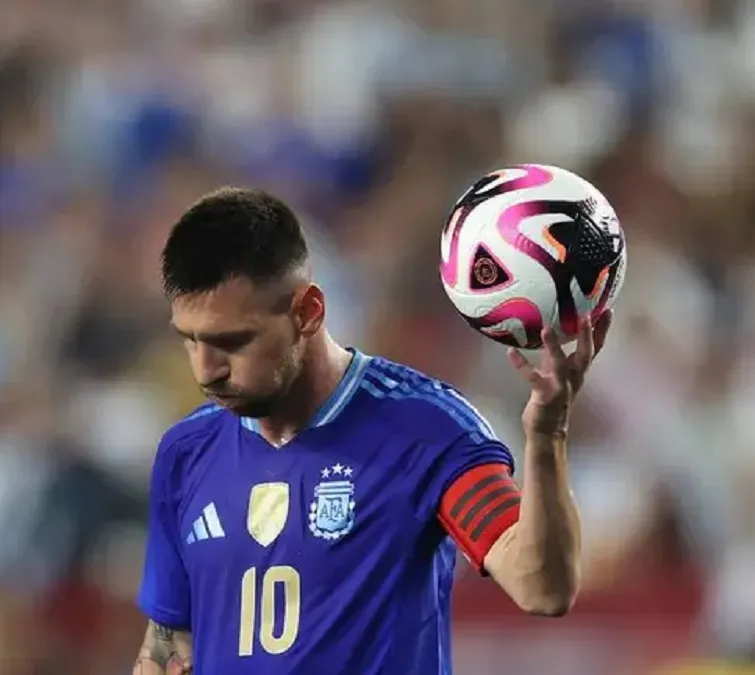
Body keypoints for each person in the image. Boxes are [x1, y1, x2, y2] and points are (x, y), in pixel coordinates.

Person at [132, 187, 612, 675]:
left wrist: (548, 436)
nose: (206, 370)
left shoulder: (425, 433)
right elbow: (167, 644)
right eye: (190, 341)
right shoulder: (187, 453)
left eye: (232, 342)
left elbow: (542, 586)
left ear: (307, 312)